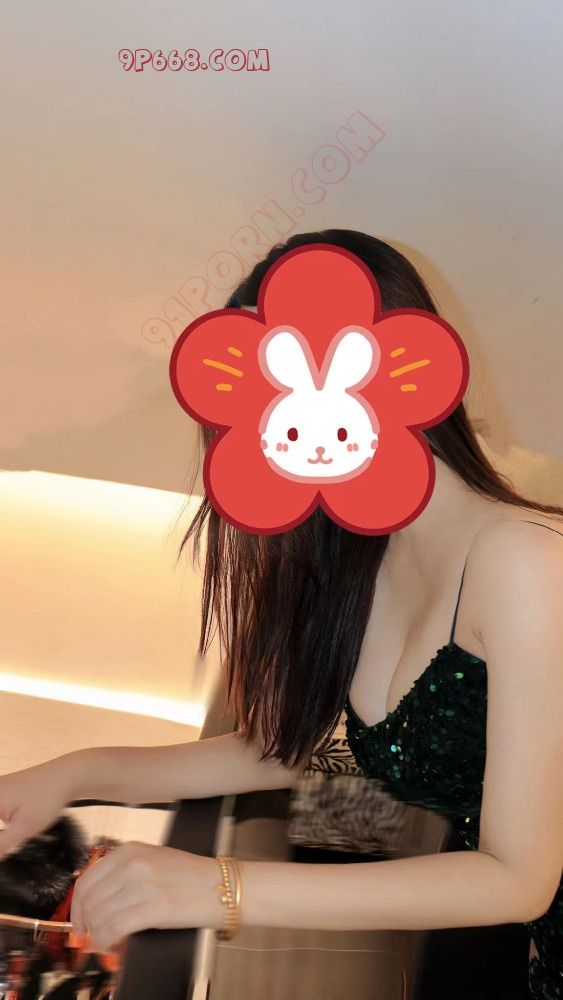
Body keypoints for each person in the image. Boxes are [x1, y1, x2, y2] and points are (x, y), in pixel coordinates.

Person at [0, 230, 561, 998]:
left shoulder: (521, 563)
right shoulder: (365, 561)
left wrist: (219, 887)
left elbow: (517, 876)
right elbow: (273, 751)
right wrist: (75, 772)